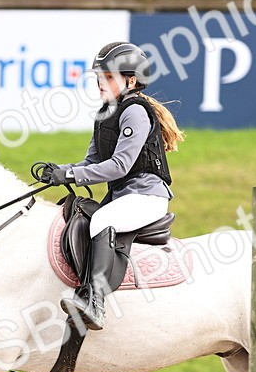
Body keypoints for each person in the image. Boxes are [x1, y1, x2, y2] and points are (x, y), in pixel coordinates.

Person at [37, 41, 185, 331]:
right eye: (98, 78)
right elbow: (91, 161)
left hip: (147, 196)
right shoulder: (105, 113)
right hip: (124, 196)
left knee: (103, 219)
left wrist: (70, 177)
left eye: (108, 77)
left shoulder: (135, 112)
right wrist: (60, 171)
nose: (99, 84)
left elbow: (120, 166)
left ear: (130, 80)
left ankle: (95, 301)